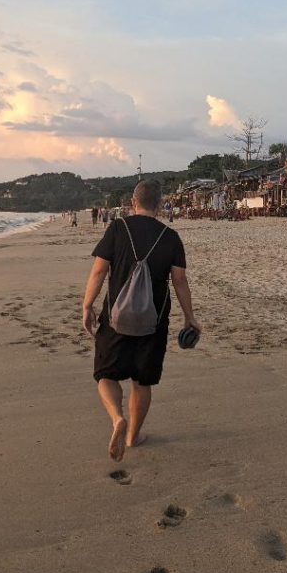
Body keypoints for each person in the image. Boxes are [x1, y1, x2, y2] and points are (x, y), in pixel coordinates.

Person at [82, 180, 199, 462]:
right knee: (141, 381)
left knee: (106, 374)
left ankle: (116, 418)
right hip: (154, 320)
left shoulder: (118, 228)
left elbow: (99, 272)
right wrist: (189, 317)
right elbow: (180, 280)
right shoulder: (170, 237)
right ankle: (133, 436)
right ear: (160, 205)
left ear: (133, 203)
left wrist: (87, 306)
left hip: (116, 318)